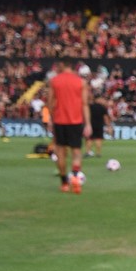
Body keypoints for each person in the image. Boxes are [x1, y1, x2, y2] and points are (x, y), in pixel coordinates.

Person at [46, 64, 91, 194]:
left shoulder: (54, 81)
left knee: (60, 153)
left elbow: (50, 102)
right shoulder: (81, 82)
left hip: (59, 121)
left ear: (62, 66)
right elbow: (85, 104)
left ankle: (64, 183)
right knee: (76, 152)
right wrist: (88, 124)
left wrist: (50, 119)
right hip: (76, 121)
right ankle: (75, 176)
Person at [86, 85, 112, 159]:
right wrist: (108, 125)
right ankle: (98, 153)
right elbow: (105, 117)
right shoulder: (102, 107)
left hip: (91, 124)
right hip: (99, 125)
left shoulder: (90, 106)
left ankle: (88, 152)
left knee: (90, 138)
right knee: (99, 138)